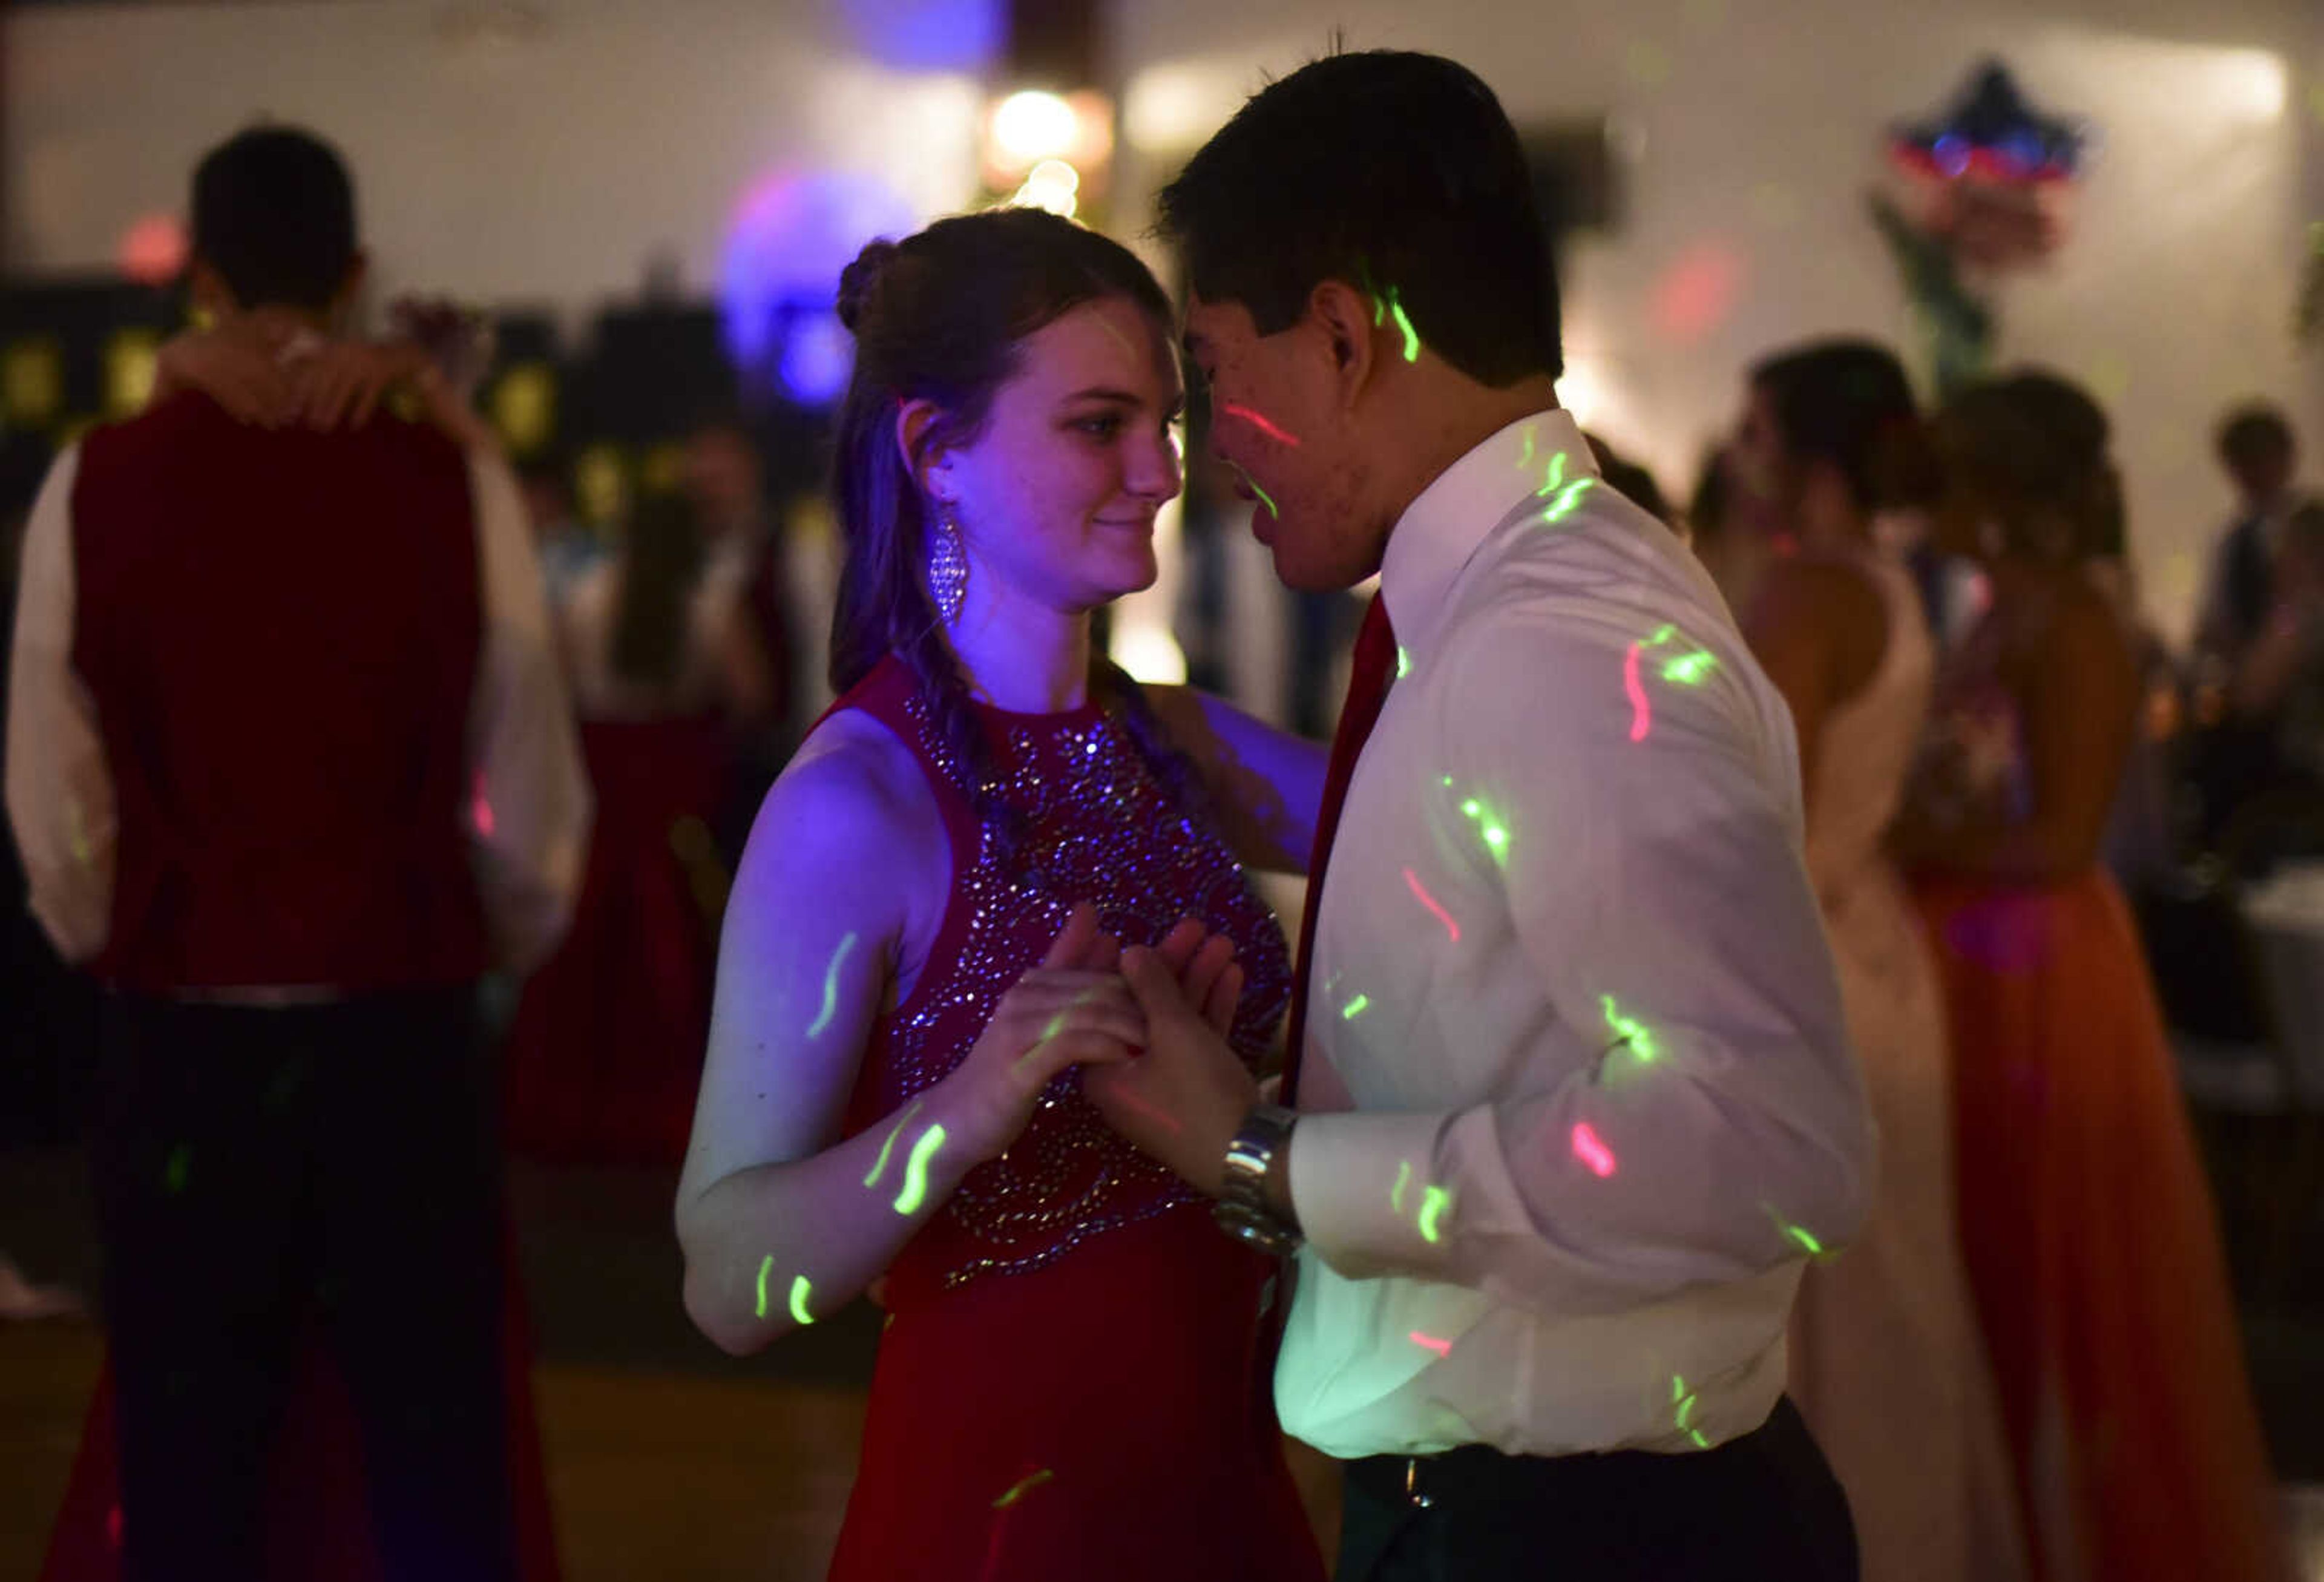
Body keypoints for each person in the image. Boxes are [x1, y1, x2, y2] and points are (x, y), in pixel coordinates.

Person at [1085, 50, 1873, 1581]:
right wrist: (1265, 785)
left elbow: (1765, 1138)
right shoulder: (1526, 598)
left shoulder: (1549, 639)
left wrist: (1258, 1156)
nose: (1193, 450)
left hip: (1577, 1532)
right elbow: (1519, 885)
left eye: (1209, 369)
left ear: (1338, 336)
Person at [673, 206, 1328, 1581]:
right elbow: (728, 1283)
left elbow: (1449, 821)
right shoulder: (856, 803)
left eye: (1166, 419)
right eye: (1099, 423)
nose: (1158, 469)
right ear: (935, 451)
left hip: (1225, 1495)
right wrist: (966, 1110)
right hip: (997, 1526)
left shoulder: (1175, 743)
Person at [5, 125, 588, 1581]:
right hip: (401, 1021)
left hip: (182, 1027)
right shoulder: (444, 476)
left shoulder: (99, 479)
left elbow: (51, 782)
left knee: (191, 1462)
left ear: (195, 274)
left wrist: (125, 930)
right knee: (431, 1455)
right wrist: (484, 934)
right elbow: (524, 779)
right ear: (354, 271)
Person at [1897, 372, 2284, 1582]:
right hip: (1970, 951)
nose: (1929, 501)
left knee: (2060, 1265)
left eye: (1949, 475)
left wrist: (1902, 844)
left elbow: (2062, 838)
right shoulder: (2005, 605)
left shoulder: (2077, 622)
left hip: (2040, 963)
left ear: (2003, 491)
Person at [1730, 339, 2024, 1582]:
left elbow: (1749, 802)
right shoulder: (1889, 581)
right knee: (1886, 1309)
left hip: (1806, 967)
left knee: (1823, 1320)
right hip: (1875, 950)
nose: (1740, 453)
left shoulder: (1810, 593)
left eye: (1755, 429)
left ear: (1803, 450)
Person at [503, 488, 769, 1163]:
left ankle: (568, 1101)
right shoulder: (710, 604)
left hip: (606, 794)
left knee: (586, 937)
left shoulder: (585, 597)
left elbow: (555, 695)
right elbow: (753, 697)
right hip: (674, 803)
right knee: (677, 939)